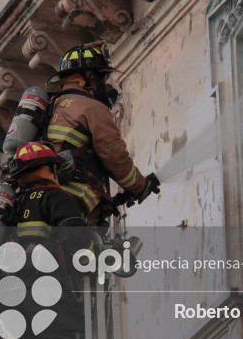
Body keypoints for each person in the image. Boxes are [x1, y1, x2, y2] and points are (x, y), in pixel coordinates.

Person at [0, 141, 89, 339]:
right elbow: (78, 241)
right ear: (48, 167)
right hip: (50, 292)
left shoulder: (11, 207)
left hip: (12, 298)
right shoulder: (55, 197)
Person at [46, 44, 159, 223]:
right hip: (74, 198)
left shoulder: (50, 107)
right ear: (88, 77)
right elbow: (114, 155)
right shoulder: (91, 107)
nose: (103, 84)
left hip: (45, 200)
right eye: (101, 77)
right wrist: (140, 186)